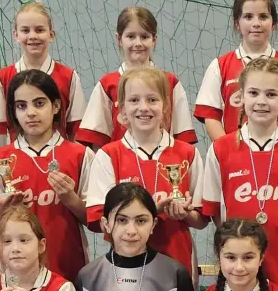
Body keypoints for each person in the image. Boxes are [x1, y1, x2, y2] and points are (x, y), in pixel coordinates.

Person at [197, 56, 278, 291]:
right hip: (239, 271)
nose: (261, 102)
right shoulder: (220, 150)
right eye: (253, 93)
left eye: (271, 94)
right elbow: (216, 213)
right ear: (241, 97)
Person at [84, 65, 201, 275]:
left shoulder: (188, 154)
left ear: (166, 106)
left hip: (178, 263)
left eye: (152, 99)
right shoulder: (108, 156)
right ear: (121, 109)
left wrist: (184, 213)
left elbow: (201, 221)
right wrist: (150, 212)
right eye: (134, 100)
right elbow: (98, 221)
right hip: (124, 267)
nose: (143, 107)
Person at [0, 70, 93, 281]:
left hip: (68, 270)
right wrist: (2, 208)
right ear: (13, 111)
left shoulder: (80, 155)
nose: (30, 112)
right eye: (21, 106)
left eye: (39, 103)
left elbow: (94, 221)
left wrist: (70, 199)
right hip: (14, 274)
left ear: (56, 106)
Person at [193, 0, 278, 141]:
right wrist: (229, 152)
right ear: (236, 23)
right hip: (234, 160)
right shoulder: (219, 66)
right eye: (248, 17)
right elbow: (211, 116)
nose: (256, 23)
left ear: (273, 23)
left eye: (263, 16)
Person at [78, 6, 198, 148]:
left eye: (145, 36)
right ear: (119, 39)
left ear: (154, 39)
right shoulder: (107, 84)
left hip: (163, 165)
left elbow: (183, 139)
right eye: (131, 36)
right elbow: (94, 139)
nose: (138, 43)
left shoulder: (170, 82)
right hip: (120, 167)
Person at [0, 1, 87, 141]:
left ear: (51, 35)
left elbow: (76, 128)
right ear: (15, 35)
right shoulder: (2, 78)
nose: (33, 36)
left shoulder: (69, 77)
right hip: (17, 159)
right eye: (25, 30)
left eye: (39, 30)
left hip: (58, 159)